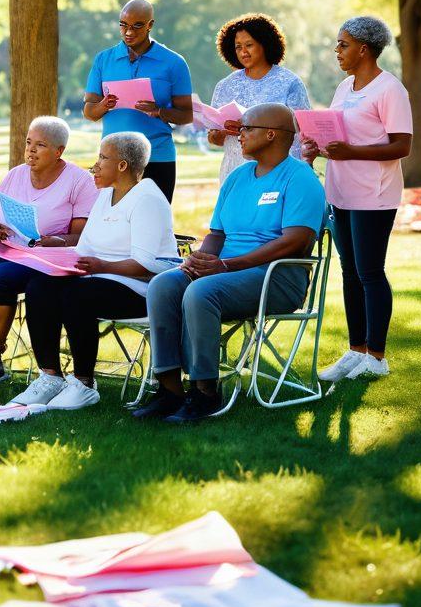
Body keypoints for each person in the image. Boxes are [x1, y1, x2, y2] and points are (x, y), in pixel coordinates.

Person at [136, 104, 326, 423]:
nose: (238, 135)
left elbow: (297, 241)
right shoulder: (238, 177)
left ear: (271, 134)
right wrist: (200, 260)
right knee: (164, 285)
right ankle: (170, 390)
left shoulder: (300, 178)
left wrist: (227, 266)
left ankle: (205, 393)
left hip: (276, 278)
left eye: (245, 129)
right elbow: (217, 234)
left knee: (201, 293)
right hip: (228, 271)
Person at [9, 132, 180, 411]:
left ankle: (84, 383)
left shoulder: (147, 198)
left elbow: (147, 263)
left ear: (123, 166)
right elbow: (85, 247)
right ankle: (50, 376)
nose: (95, 165)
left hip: (142, 287)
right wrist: (57, 258)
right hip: (98, 278)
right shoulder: (105, 195)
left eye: (103, 158)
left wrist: (102, 266)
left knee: (79, 295)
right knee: (40, 286)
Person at [0, 116, 98, 390]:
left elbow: (82, 234)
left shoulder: (79, 181)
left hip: (47, 258)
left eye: (40, 145)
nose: (31, 150)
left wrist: (57, 240)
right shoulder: (16, 174)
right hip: (9, 248)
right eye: (28, 143)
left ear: (59, 151)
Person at [304, 17, 412, 382]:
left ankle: (377, 357)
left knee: (369, 272)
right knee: (349, 271)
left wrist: (350, 151)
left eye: (343, 44)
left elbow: (402, 145)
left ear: (364, 49)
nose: (337, 51)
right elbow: (339, 135)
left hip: (374, 195)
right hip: (341, 191)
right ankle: (356, 350)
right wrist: (317, 147)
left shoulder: (389, 89)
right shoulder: (345, 87)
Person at [82, 0, 193, 203]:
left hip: (157, 157)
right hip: (113, 159)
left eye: (137, 26)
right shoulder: (103, 59)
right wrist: (103, 105)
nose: (129, 32)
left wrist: (160, 111)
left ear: (151, 25)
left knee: (154, 222)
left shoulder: (174, 63)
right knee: (112, 223)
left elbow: (187, 114)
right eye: (123, 25)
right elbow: (89, 111)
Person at [208, 13, 311, 182]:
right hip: (235, 172)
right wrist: (222, 133)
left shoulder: (289, 82)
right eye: (238, 47)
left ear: (265, 44)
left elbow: (302, 132)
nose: (243, 52)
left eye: (249, 45)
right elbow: (213, 138)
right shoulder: (224, 86)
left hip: (277, 170)